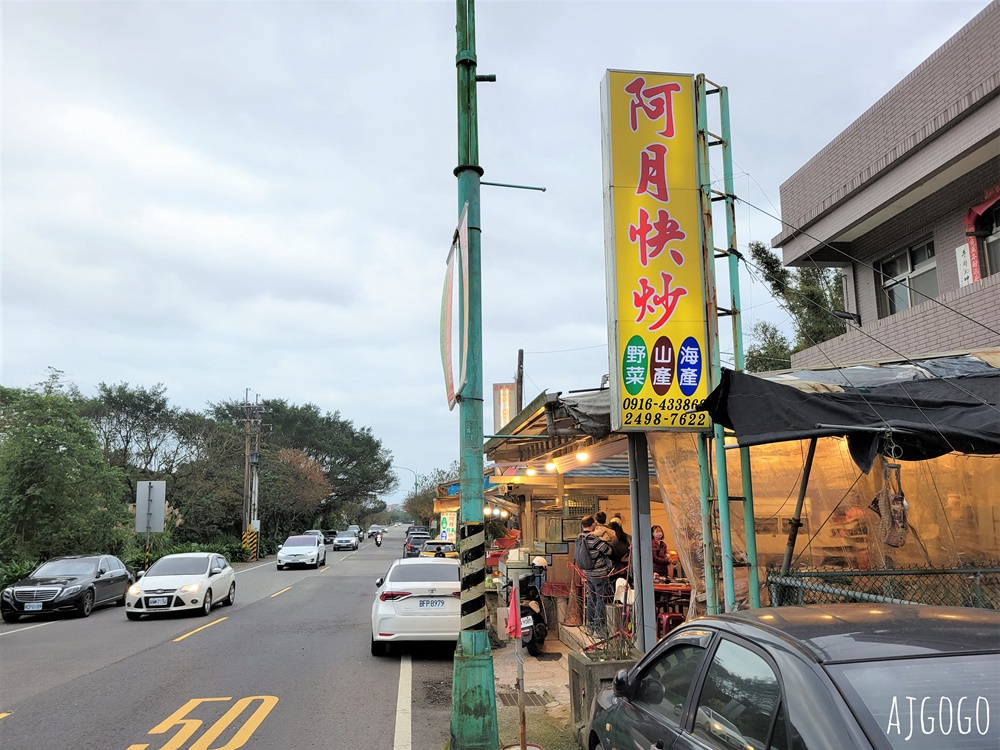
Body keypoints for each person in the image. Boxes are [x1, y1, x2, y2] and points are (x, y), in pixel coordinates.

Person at [575, 515, 613, 632]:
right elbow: (608, 551)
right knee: (600, 600)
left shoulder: (580, 537)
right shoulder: (594, 539)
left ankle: (589, 625)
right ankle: (598, 627)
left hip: (588, 573)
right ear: (593, 524)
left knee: (591, 599)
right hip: (599, 573)